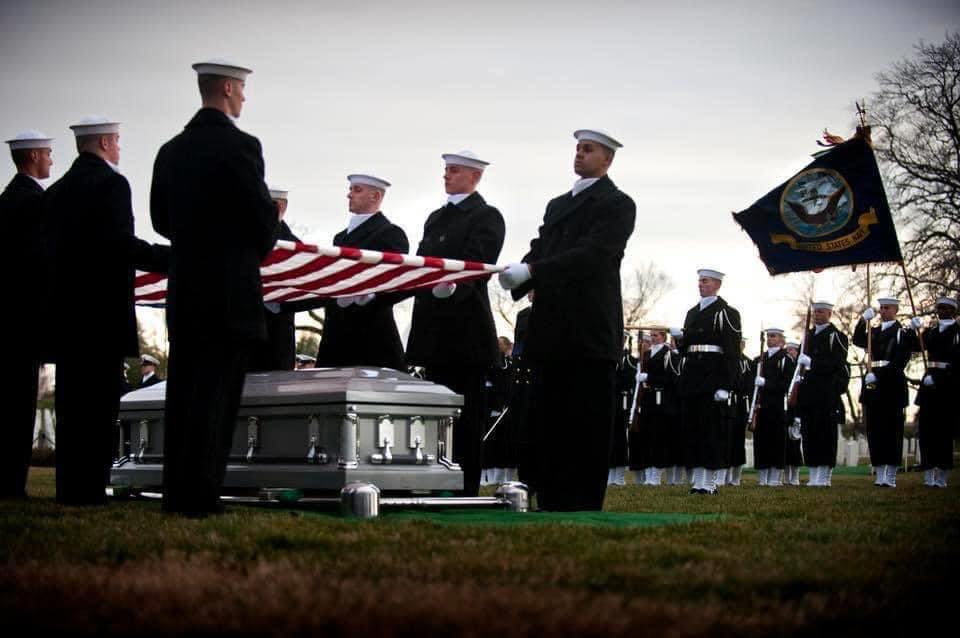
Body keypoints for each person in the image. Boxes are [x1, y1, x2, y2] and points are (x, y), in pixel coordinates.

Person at [151, 59, 278, 516]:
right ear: (227, 88)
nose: (244, 97)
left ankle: (176, 493)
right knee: (217, 399)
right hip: (229, 292)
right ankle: (201, 496)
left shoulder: (170, 150)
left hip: (186, 290)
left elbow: (160, 219)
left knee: (184, 396)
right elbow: (262, 221)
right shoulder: (242, 146)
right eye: (241, 89)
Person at [499, 129, 636, 510]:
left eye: (588, 149)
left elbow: (592, 255)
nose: (579, 154)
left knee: (586, 421)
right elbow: (543, 246)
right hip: (551, 328)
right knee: (548, 419)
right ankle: (548, 494)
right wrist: (519, 271)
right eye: (577, 148)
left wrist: (533, 271)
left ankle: (582, 500)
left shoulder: (617, 204)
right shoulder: (558, 204)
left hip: (589, 328)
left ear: (607, 159)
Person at [42, 117, 169, 505]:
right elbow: (120, 244)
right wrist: (170, 258)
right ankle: (90, 489)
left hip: (66, 315)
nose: (118, 148)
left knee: (71, 406)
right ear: (104, 143)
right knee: (98, 408)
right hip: (101, 313)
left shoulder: (56, 191)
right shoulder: (112, 184)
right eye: (116, 141)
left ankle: (69, 487)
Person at [407, 150, 504, 497]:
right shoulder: (436, 218)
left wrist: (451, 287)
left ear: (474, 177)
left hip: (465, 332)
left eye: (455, 170)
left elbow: (478, 264)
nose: (446, 175)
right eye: (446, 169)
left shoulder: (486, 216)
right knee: (436, 416)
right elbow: (422, 261)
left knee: (466, 417)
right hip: (435, 329)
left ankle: (465, 487)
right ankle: (437, 482)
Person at [0, 130, 53, 499]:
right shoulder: (35, 202)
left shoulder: (6, 199)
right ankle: (11, 483)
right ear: (33, 156)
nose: (51, 159)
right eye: (47, 153)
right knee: (19, 405)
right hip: (25, 318)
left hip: (7, 317)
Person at [313, 174, 408, 370]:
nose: (349, 195)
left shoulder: (390, 234)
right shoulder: (340, 237)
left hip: (370, 338)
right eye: (350, 189)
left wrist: (367, 296)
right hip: (337, 336)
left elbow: (396, 280)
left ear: (375, 196)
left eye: (357, 190)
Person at [672, 269, 742, 495]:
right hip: (693, 375)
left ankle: (709, 482)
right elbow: (686, 350)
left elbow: (732, 352)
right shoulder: (692, 312)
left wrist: (726, 385)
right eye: (700, 281)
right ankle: (697, 481)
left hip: (713, 375)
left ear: (717, 284)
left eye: (705, 281)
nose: (700, 284)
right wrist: (680, 339)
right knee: (694, 429)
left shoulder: (727, 313)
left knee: (711, 430)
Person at [852, 296, 918, 488]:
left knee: (892, 431)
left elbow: (902, 358)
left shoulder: (901, 332)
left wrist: (915, 330)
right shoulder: (874, 332)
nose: (882, 311)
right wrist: (862, 321)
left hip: (891, 385)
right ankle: (879, 472)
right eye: (881, 308)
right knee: (875, 430)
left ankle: (891, 474)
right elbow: (858, 340)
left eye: (887, 308)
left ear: (896, 310)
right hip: (873, 384)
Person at [795, 301, 848, 487]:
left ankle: (825, 475)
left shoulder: (837, 336)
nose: (817, 315)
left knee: (825, 434)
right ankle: (813, 473)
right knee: (809, 433)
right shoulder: (808, 336)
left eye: (821, 312)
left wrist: (812, 363)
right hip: (808, 392)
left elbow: (838, 363)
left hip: (826, 392)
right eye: (815, 312)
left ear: (829, 314)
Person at [249, 186, 301, 372]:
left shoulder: (294, 247)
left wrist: (277, 302)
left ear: (281, 207)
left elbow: (307, 291)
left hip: (276, 339)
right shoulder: (244, 239)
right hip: (243, 337)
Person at [915, 297, 958, 488]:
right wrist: (915, 329)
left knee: (943, 432)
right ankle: (928, 472)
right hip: (929, 383)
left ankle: (942, 474)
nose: (941, 311)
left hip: (948, 387)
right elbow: (916, 346)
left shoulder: (957, 333)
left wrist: (941, 379)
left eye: (946, 308)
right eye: (939, 308)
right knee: (927, 431)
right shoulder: (932, 331)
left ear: (954, 311)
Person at [630, 327, 680, 486]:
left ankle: (656, 475)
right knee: (647, 436)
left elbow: (671, 378)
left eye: (656, 335)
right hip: (648, 399)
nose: (652, 338)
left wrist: (649, 377)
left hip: (662, 400)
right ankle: (648, 474)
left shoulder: (669, 354)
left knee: (659, 437)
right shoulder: (646, 354)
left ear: (663, 337)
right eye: (651, 335)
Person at [750, 328, 794, 487]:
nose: (769, 339)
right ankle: (763, 477)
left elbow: (787, 384)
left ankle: (775, 477)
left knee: (776, 441)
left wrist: (766, 383)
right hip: (761, 407)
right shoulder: (759, 360)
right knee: (761, 442)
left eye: (773, 336)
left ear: (781, 340)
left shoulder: (785, 359)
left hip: (776, 406)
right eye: (768, 336)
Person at [782, 340, 804, 486]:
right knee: (786, 446)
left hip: (796, 411)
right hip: (786, 410)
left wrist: (798, 415)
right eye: (788, 350)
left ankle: (795, 476)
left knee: (795, 445)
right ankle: (786, 476)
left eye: (792, 350)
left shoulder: (801, 370)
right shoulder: (787, 368)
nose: (789, 352)